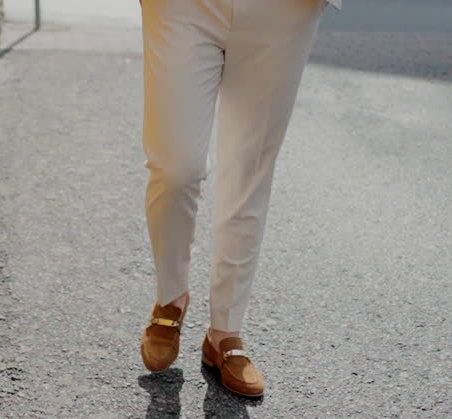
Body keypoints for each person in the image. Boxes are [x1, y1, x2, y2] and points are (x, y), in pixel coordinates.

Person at [138, 0, 336, 397]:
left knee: (249, 171)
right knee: (175, 167)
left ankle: (224, 331)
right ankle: (171, 297)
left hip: (283, 10)